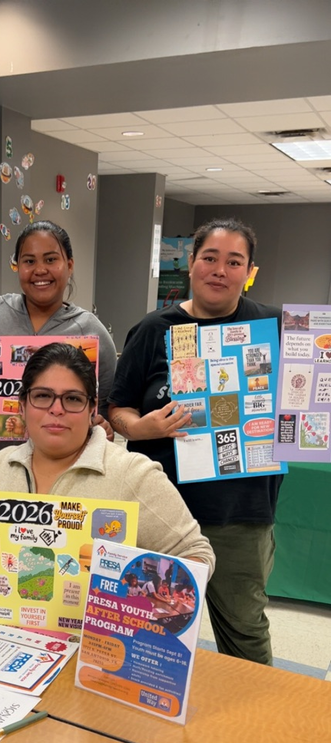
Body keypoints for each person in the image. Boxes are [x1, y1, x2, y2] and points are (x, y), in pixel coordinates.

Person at [108, 217, 282, 665]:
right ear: (191, 263)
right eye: (210, 258)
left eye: (233, 261)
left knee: (244, 630)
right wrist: (140, 427)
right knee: (151, 632)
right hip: (160, 511)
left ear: (249, 271)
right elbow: (118, 408)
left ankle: (248, 732)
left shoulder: (275, 327)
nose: (219, 270)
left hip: (239, 514)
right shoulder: (153, 330)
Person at [0, 343, 214, 610]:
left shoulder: (134, 474)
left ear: (92, 409)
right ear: (21, 405)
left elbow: (196, 553)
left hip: (94, 651)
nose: (57, 409)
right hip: (2, 641)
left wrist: (141, 605)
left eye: (73, 399)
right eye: (42, 396)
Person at [0, 220, 117, 477]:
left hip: (66, 474)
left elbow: (107, 403)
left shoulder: (91, 332)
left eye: (50, 259)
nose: (40, 270)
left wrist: (103, 426)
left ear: (69, 265)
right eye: (29, 261)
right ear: (17, 266)